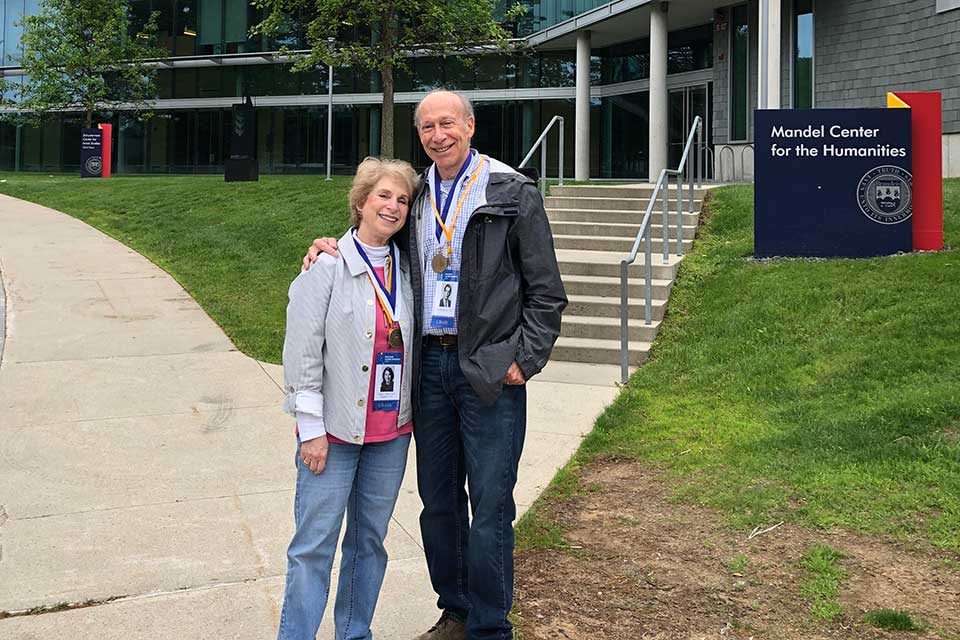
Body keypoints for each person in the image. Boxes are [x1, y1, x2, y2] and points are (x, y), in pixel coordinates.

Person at [303, 89, 567, 640]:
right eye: (426, 127)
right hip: (427, 369)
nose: (437, 135)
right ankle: (456, 610)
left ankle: (491, 627)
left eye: (447, 123)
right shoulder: (416, 195)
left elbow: (546, 291)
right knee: (438, 502)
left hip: (489, 372)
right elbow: (374, 239)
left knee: (491, 502)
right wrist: (326, 244)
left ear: (470, 126)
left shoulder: (511, 191)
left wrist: (524, 359)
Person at [279, 157, 419, 640]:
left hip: (391, 434)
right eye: (383, 195)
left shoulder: (410, 269)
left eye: (402, 199)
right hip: (333, 434)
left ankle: (354, 633)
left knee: (368, 543)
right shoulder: (327, 265)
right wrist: (311, 430)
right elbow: (300, 354)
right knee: (313, 546)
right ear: (360, 203)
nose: (393, 206)